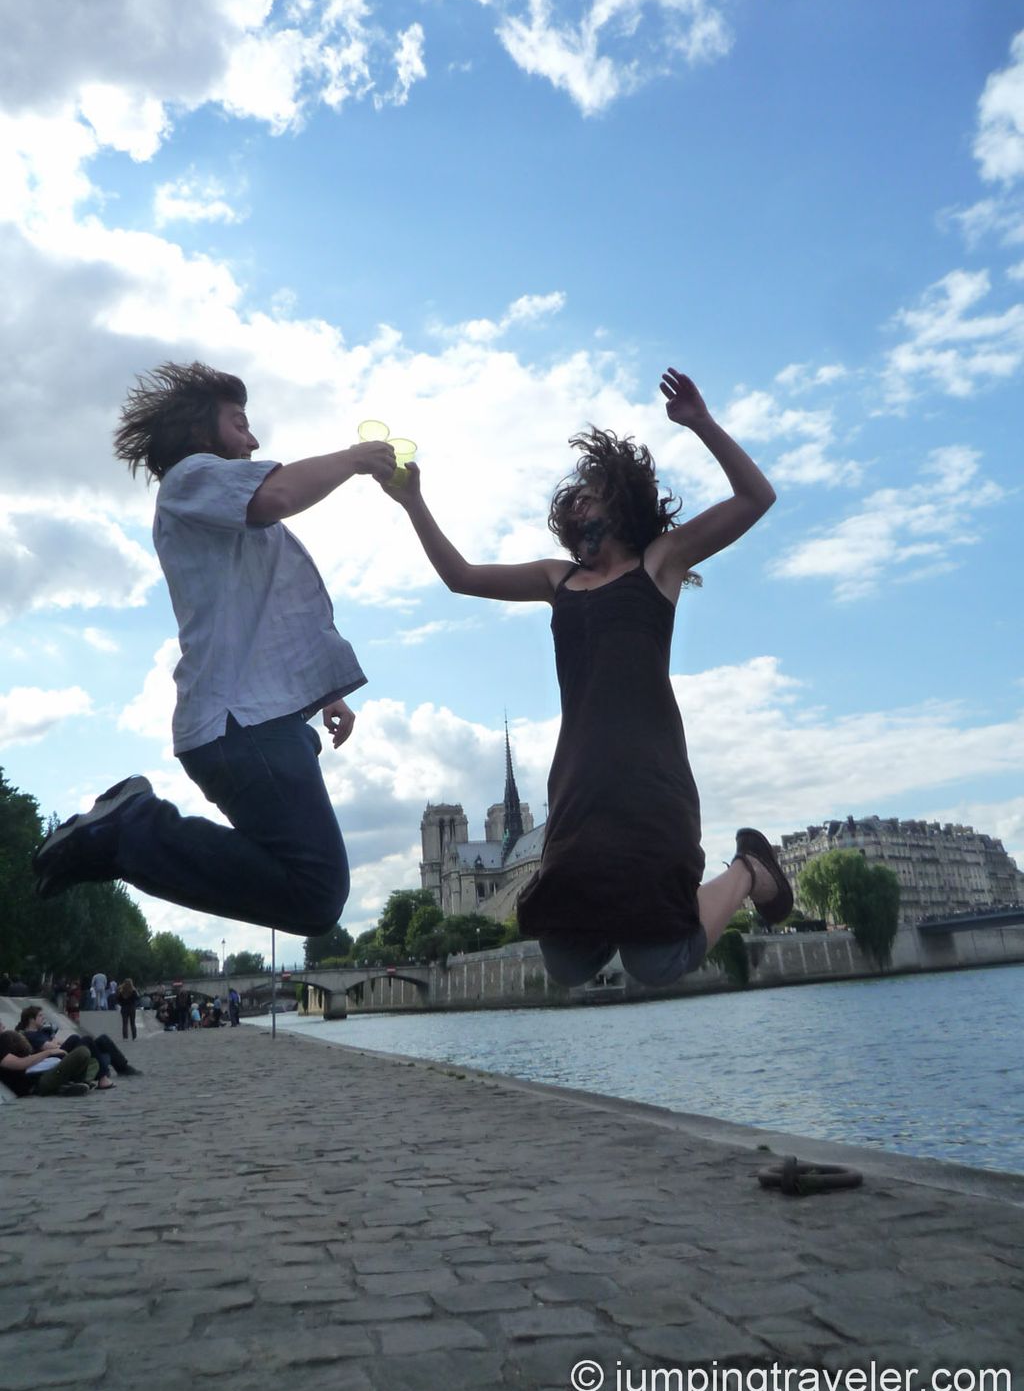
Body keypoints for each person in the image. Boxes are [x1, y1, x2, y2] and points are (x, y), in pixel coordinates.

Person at [386, 367, 793, 988]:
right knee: (568, 961)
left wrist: (701, 424)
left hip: (649, 776)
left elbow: (755, 498)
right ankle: (627, 910)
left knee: (658, 962)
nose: (577, 499)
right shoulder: (559, 580)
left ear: (621, 501)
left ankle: (748, 868)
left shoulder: (659, 565)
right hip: (578, 782)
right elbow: (460, 577)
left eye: (591, 490)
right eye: (573, 495)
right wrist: (414, 501)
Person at [32, 362, 396, 938]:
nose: (253, 440)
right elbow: (277, 493)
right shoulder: (192, 478)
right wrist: (356, 458)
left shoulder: (217, 505)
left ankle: (128, 836)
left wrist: (327, 691)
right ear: (202, 435)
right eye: (240, 423)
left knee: (313, 894)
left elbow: (268, 610)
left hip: (255, 723)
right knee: (316, 892)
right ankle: (133, 831)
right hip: (242, 727)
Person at [0, 1019, 94, 1097]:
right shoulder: (2, 1043)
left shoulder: (4, 1041)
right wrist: (48, 1053)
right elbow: (19, 1064)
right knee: (82, 1052)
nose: (4, 1026)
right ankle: (74, 1082)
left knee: (90, 1059)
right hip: (37, 1084)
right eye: (0, 1024)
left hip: (40, 1075)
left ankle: (69, 1084)